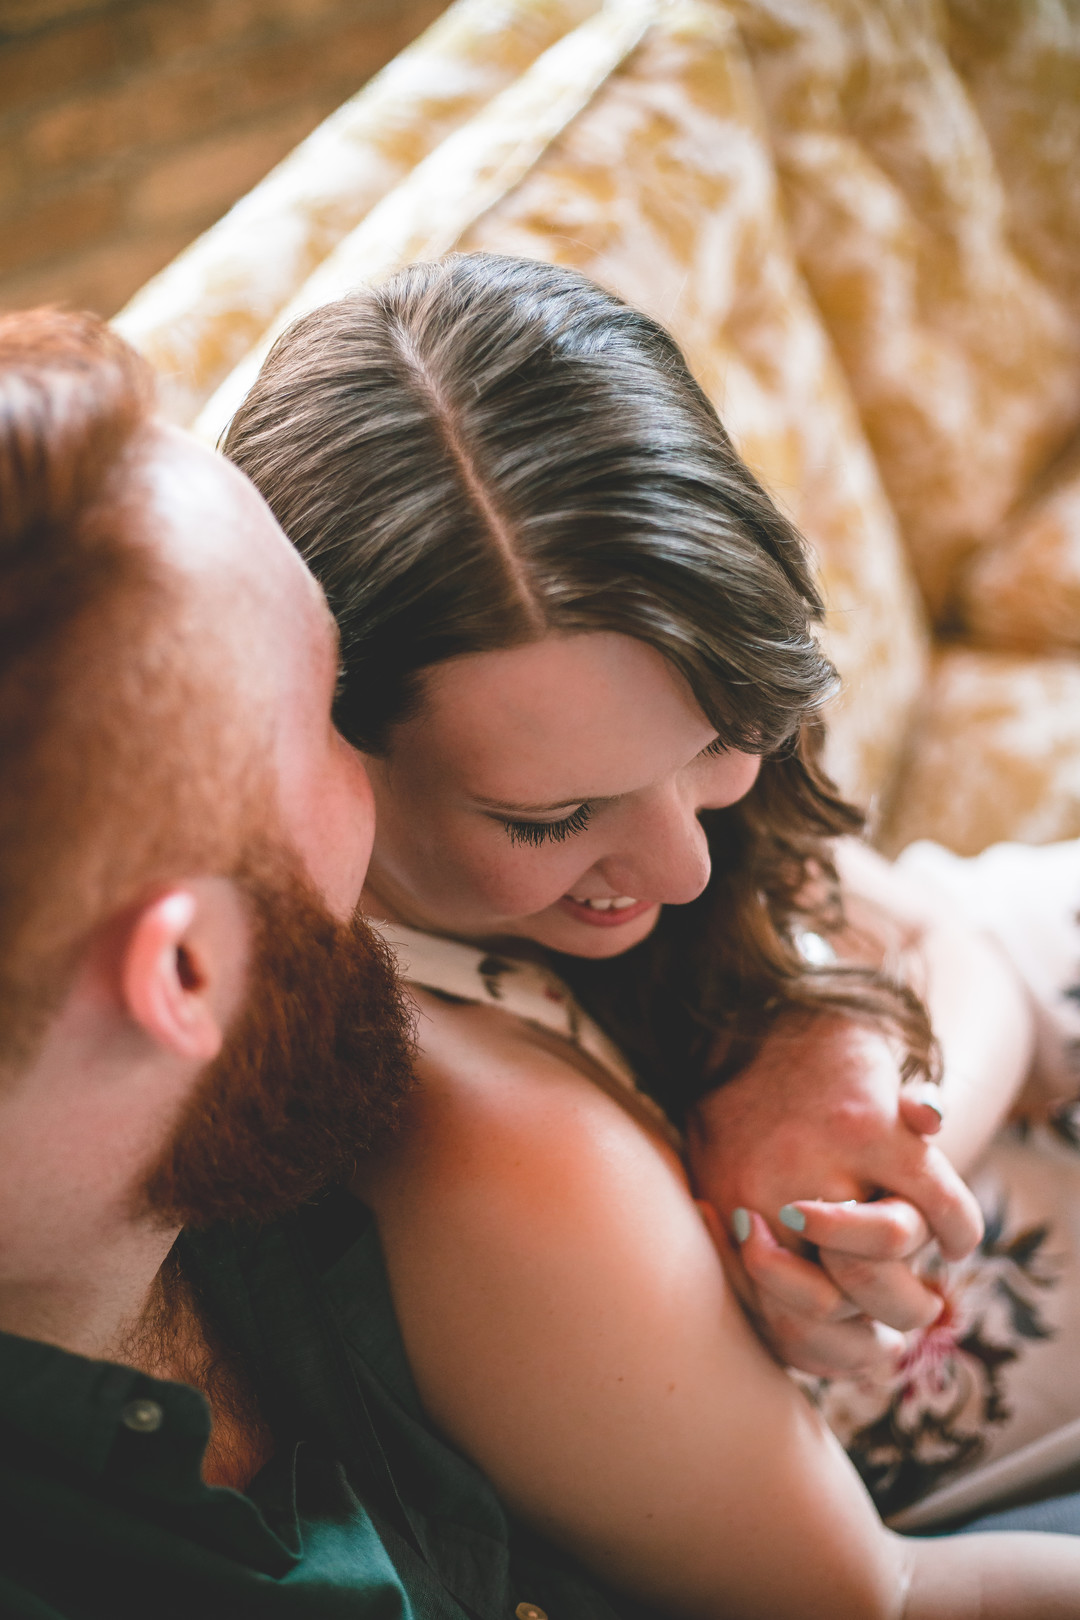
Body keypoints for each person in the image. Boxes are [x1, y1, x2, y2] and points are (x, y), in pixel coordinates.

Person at [220, 251, 1080, 1613]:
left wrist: (864, 1120)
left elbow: (971, 956)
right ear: (324, 745)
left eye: (723, 743)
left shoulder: (615, 718)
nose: (683, 862)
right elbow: (887, 1599)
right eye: (554, 817)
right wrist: (840, 1205)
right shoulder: (495, 1148)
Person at [0, 307, 656, 1620]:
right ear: (181, 974)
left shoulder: (287, 1099)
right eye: (336, 708)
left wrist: (801, 1042)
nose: (393, 779)